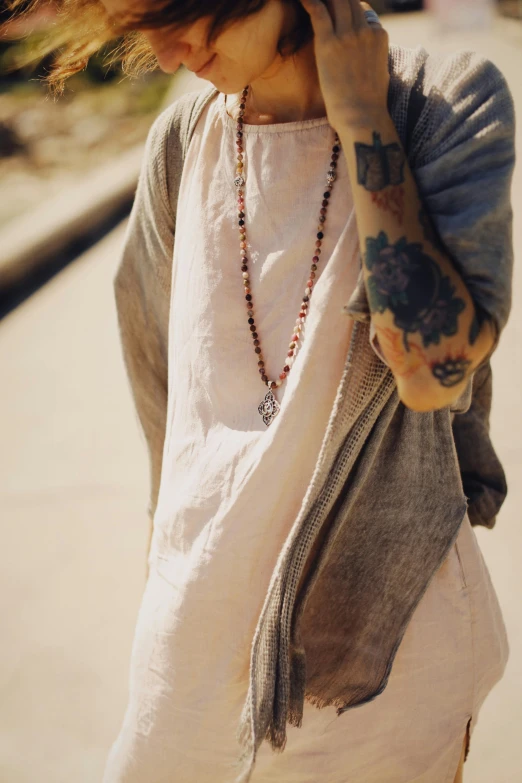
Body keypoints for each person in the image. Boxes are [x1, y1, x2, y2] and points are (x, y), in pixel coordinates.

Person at [4, 1, 515, 781]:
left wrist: (363, 120)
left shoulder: (443, 106)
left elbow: (431, 369)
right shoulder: (181, 147)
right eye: (137, 29)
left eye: (177, 12)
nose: (170, 56)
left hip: (380, 682)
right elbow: (164, 408)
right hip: (190, 672)